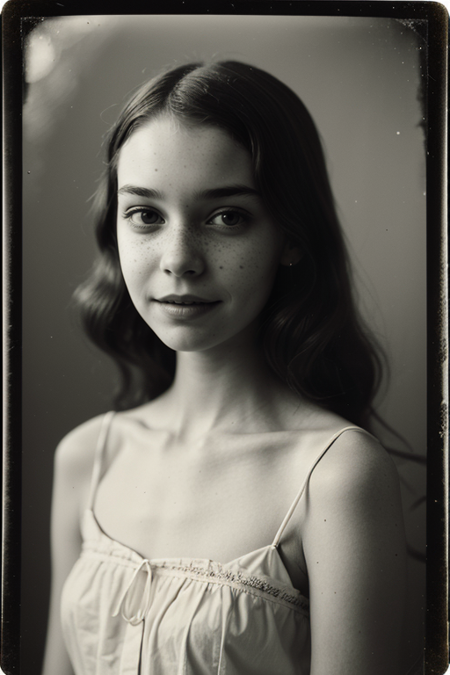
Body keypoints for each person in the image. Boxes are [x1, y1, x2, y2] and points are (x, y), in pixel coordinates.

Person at [42, 61, 407, 675]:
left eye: (227, 217)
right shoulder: (86, 457)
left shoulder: (336, 476)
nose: (179, 260)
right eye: (146, 215)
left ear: (290, 235)